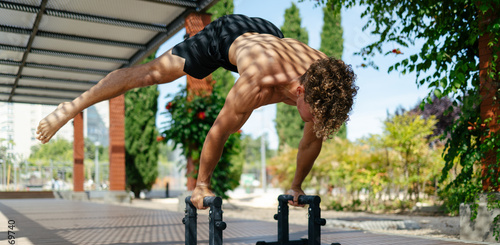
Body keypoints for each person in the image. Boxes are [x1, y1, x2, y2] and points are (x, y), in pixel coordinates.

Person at [36, 14, 358, 210]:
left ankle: (295, 184)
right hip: (226, 36)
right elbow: (218, 132)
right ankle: (72, 106)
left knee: (313, 129)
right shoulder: (256, 84)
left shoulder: (326, 77)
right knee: (150, 74)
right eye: (313, 114)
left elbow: (311, 140)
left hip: (267, 32)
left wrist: (296, 187)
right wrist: (201, 185)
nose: (315, 122)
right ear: (300, 91)